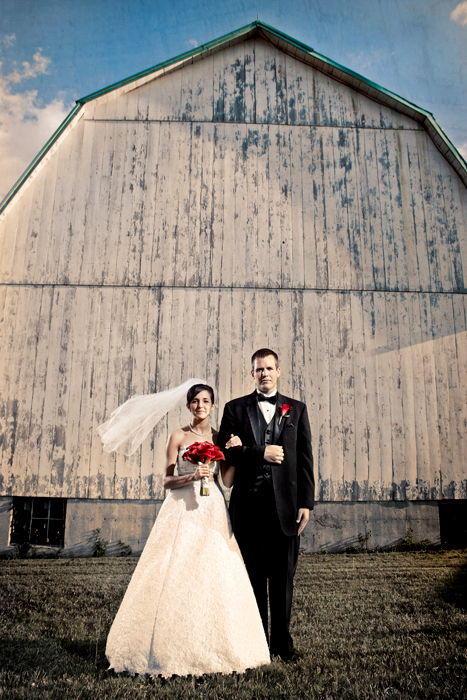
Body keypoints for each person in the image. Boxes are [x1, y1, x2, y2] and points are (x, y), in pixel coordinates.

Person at [104, 383, 270, 678]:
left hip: (211, 508)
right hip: (180, 507)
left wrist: (236, 453)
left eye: (205, 401)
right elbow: (167, 481)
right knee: (172, 568)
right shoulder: (178, 436)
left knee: (214, 570)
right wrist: (193, 474)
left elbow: (228, 480)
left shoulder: (220, 437)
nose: (200, 405)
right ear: (188, 406)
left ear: (213, 405)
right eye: (194, 401)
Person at [217, 349, 314, 662]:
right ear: (252, 373)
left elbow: (304, 460)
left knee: (283, 578)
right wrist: (260, 452)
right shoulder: (234, 409)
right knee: (253, 579)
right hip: (248, 508)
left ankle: (283, 648)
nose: (264, 374)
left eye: (269, 368)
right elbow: (226, 456)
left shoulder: (296, 410)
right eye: (259, 369)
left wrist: (306, 504)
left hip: (286, 509)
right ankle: (256, 646)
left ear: (279, 370)